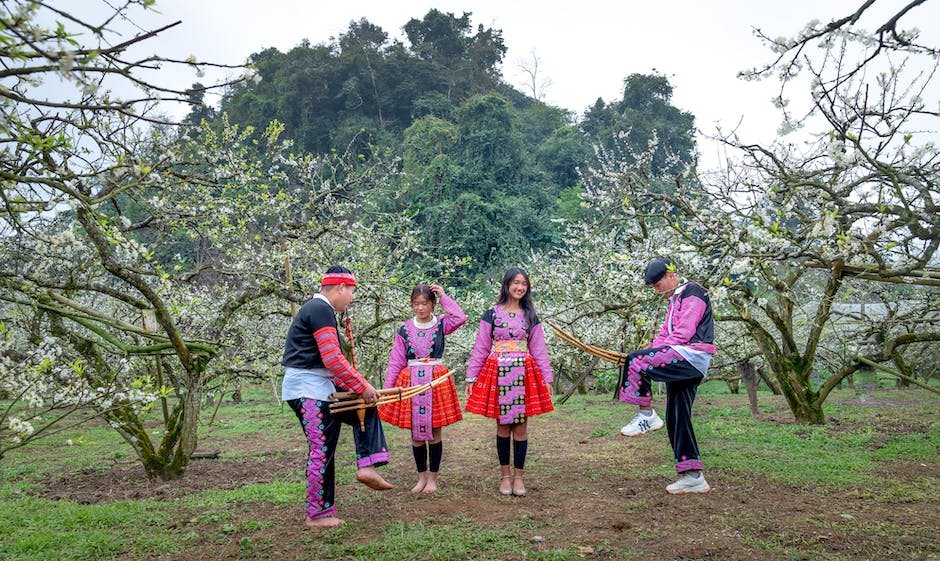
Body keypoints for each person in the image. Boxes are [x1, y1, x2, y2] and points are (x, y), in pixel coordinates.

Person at [281, 266, 393, 528]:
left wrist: (360, 389)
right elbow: (333, 359)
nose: (351, 299)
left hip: (319, 387)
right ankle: (317, 514)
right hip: (308, 390)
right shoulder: (319, 309)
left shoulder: (322, 311)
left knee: (364, 408)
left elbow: (331, 362)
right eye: (352, 292)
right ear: (341, 287)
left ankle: (367, 466)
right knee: (321, 449)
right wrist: (361, 384)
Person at [618, 257, 716, 495]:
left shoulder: (693, 291)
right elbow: (665, 333)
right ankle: (692, 476)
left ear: (671, 276)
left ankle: (646, 415)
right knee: (676, 415)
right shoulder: (674, 298)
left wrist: (650, 355)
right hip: (683, 356)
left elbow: (684, 332)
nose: (655, 290)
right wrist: (655, 349)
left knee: (636, 360)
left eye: (657, 284)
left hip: (692, 355)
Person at [465, 267, 554, 497]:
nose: (520, 287)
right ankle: (505, 476)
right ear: (507, 284)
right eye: (516, 282)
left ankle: (519, 477)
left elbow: (539, 349)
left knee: (521, 427)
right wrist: (471, 377)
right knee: (503, 425)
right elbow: (481, 346)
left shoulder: (530, 315)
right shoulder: (491, 314)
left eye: (524, 283)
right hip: (498, 372)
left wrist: (547, 377)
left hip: (524, 372)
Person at [380, 284, 467, 494]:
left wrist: (444, 295)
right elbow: (396, 361)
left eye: (425, 304)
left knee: (435, 431)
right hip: (411, 382)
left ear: (433, 305)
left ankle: (433, 479)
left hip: (435, 381)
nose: (420, 308)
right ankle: (421, 477)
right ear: (412, 305)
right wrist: (387, 391)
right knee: (416, 434)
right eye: (416, 304)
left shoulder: (441, 325)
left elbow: (460, 317)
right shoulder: (405, 328)